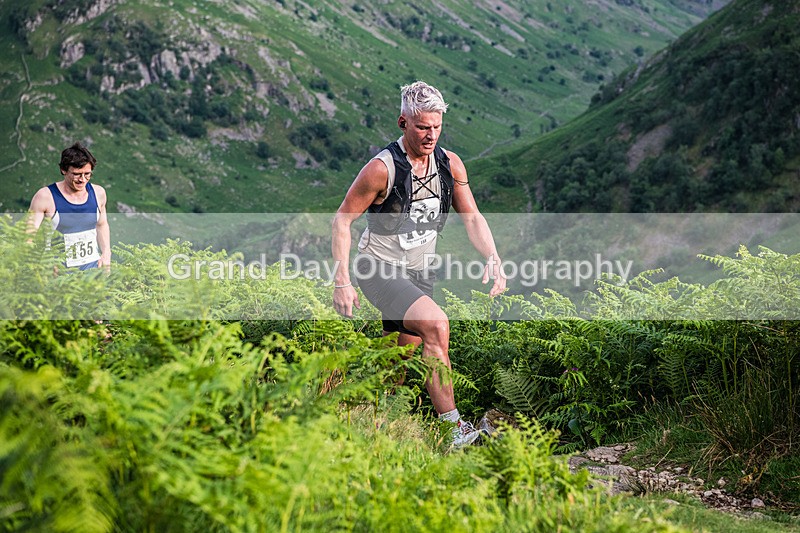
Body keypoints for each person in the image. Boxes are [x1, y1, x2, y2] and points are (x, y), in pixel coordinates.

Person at [331, 81, 506, 448]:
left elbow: (472, 217)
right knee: (437, 326)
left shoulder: (449, 164)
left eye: (437, 126)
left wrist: (493, 257)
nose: (431, 135)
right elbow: (342, 220)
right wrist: (342, 280)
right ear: (403, 122)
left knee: (397, 365)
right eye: (423, 126)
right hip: (377, 269)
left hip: (419, 273)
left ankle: (366, 423)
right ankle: (453, 430)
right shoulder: (381, 169)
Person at [28, 142, 111, 271]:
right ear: (63, 170)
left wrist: (106, 254)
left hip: (93, 271)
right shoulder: (45, 197)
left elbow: (102, 225)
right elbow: (27, 236)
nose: (82, 179)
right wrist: (42, 263)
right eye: (77, 174)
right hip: (57, 273)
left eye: (87, 174)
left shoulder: (99, 193)